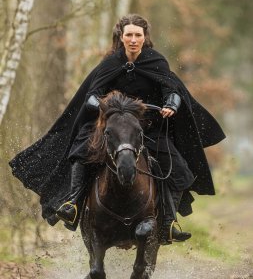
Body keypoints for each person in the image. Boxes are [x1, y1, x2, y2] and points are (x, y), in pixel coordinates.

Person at [9, 14, 225, 245]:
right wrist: (102, 107)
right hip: (109, 126)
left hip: (146, 129)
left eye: (138, 35)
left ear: (145, 38)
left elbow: (171, 89)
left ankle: (168, 223)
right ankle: (72, 204)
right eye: (129, 35)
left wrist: (171, 104)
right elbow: (91, 95)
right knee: (82, 149)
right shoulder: (110, 63)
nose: (133, 39)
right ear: (121, 37)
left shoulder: (157, 61)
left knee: (178, 168)